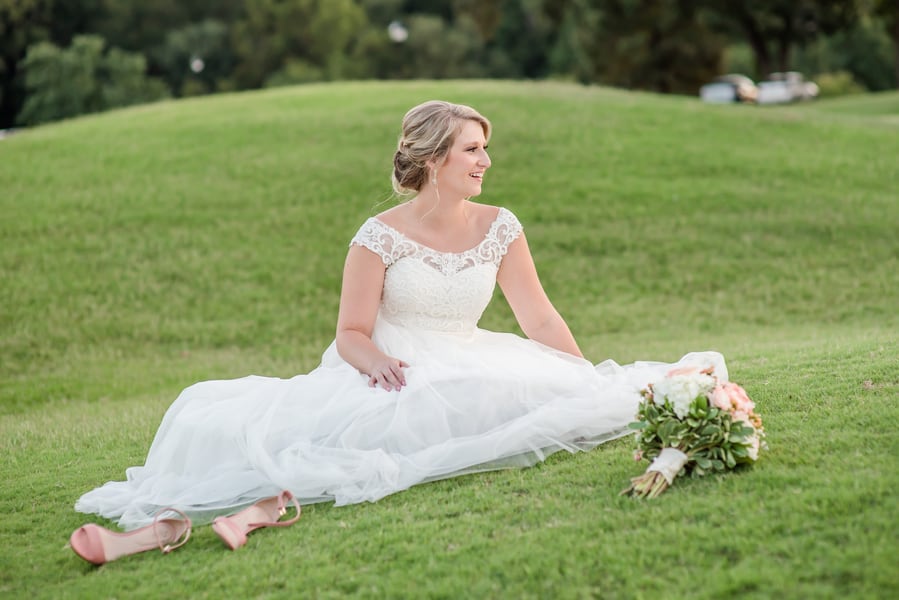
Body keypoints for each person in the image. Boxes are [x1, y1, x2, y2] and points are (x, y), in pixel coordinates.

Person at [71, 100, 726, 564]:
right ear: (435, 159)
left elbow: (539, 318)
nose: (485, 160)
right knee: (364, 425)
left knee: (527, 397)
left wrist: (581, 376)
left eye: (483, 147)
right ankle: (208, 516)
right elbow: (351, 331)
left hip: (468, 353)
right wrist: (375, 362)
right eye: (472, 149)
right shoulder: (377, 236)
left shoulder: (500, 225)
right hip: (388, 361)